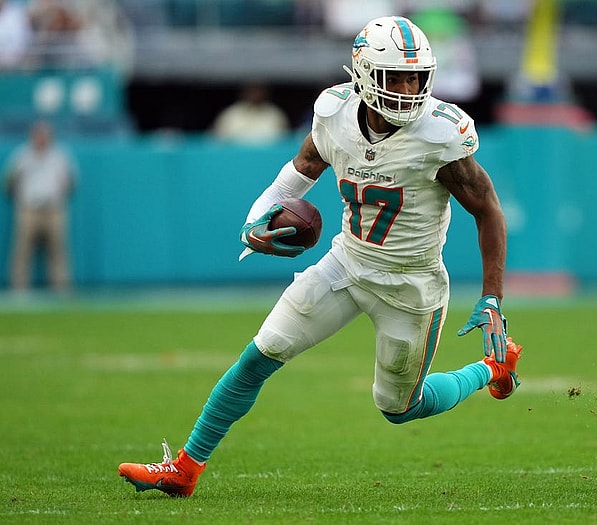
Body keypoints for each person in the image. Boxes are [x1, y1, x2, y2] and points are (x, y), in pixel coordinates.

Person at [118, 16, 523, 497]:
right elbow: (298, 173)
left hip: (411, 284)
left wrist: (492, 299)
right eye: (397, 76)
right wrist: (254, 222)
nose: (410, 89)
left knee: (398, 408)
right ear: (365, 74)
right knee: (260, 355)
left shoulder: (440, 135)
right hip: (347, 263)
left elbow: (488, 210)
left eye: (417, 76)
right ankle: (184, 470)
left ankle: (492, 369)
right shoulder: (333, 114)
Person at [3, 120, 77, 291]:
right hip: (29, 208)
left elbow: (71, 182)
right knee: (22, 250)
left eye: (45, 135)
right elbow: (9, 181)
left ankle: (62, 288)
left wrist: (60, 197)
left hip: (53, 209)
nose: (41, 138)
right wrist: (20, 200)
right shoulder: (22, 155)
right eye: (38, 135)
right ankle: (19, 288)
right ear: (32, 136)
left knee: (58, 250)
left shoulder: (60, 156)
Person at [212, 84, 290, 145]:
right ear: (244, 93)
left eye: (258, 91)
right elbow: (216, 140)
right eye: (252, 92)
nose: (255, 95)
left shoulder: (276, 115)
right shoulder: (231, 114)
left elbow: (284, 141)